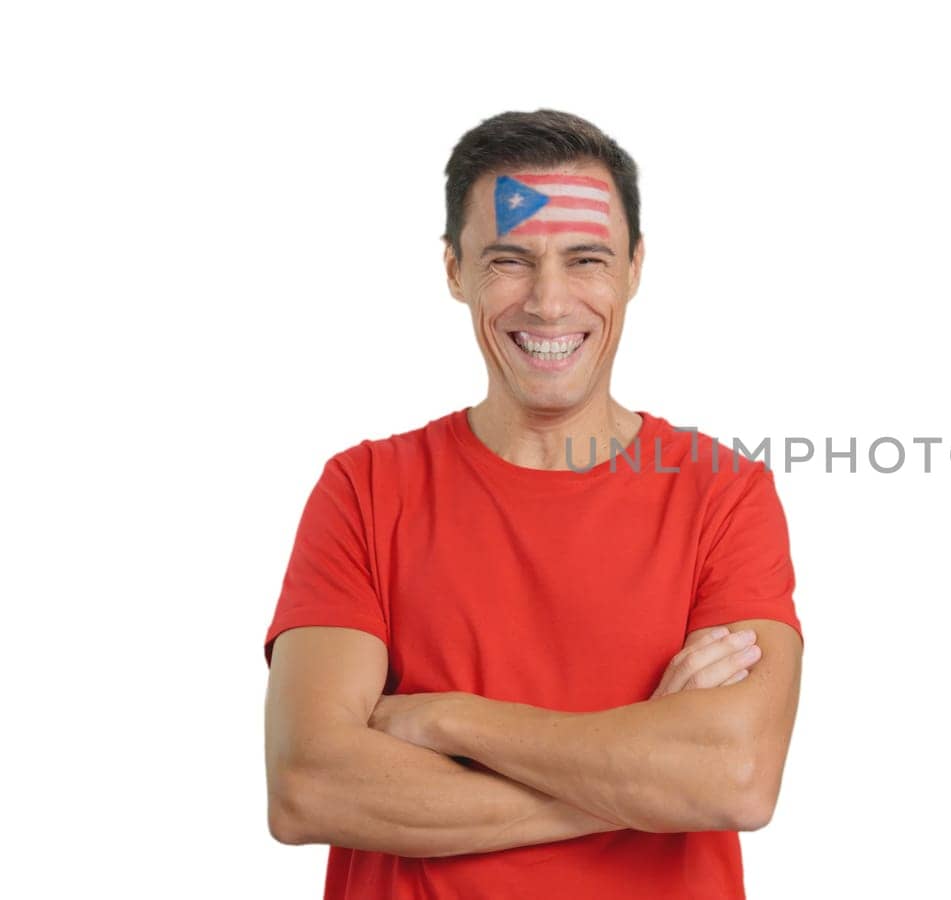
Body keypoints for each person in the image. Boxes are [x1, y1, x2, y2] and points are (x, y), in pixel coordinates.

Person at [262, 109, 805, 900]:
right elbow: (308, 785)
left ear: (634, 268)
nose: (548, 304)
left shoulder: (723, 494)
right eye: (509, 261)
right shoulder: (364, 490)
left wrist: (448, 720)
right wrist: (639, 781)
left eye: (585, 259)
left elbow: (737, 777)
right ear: (454, 270)